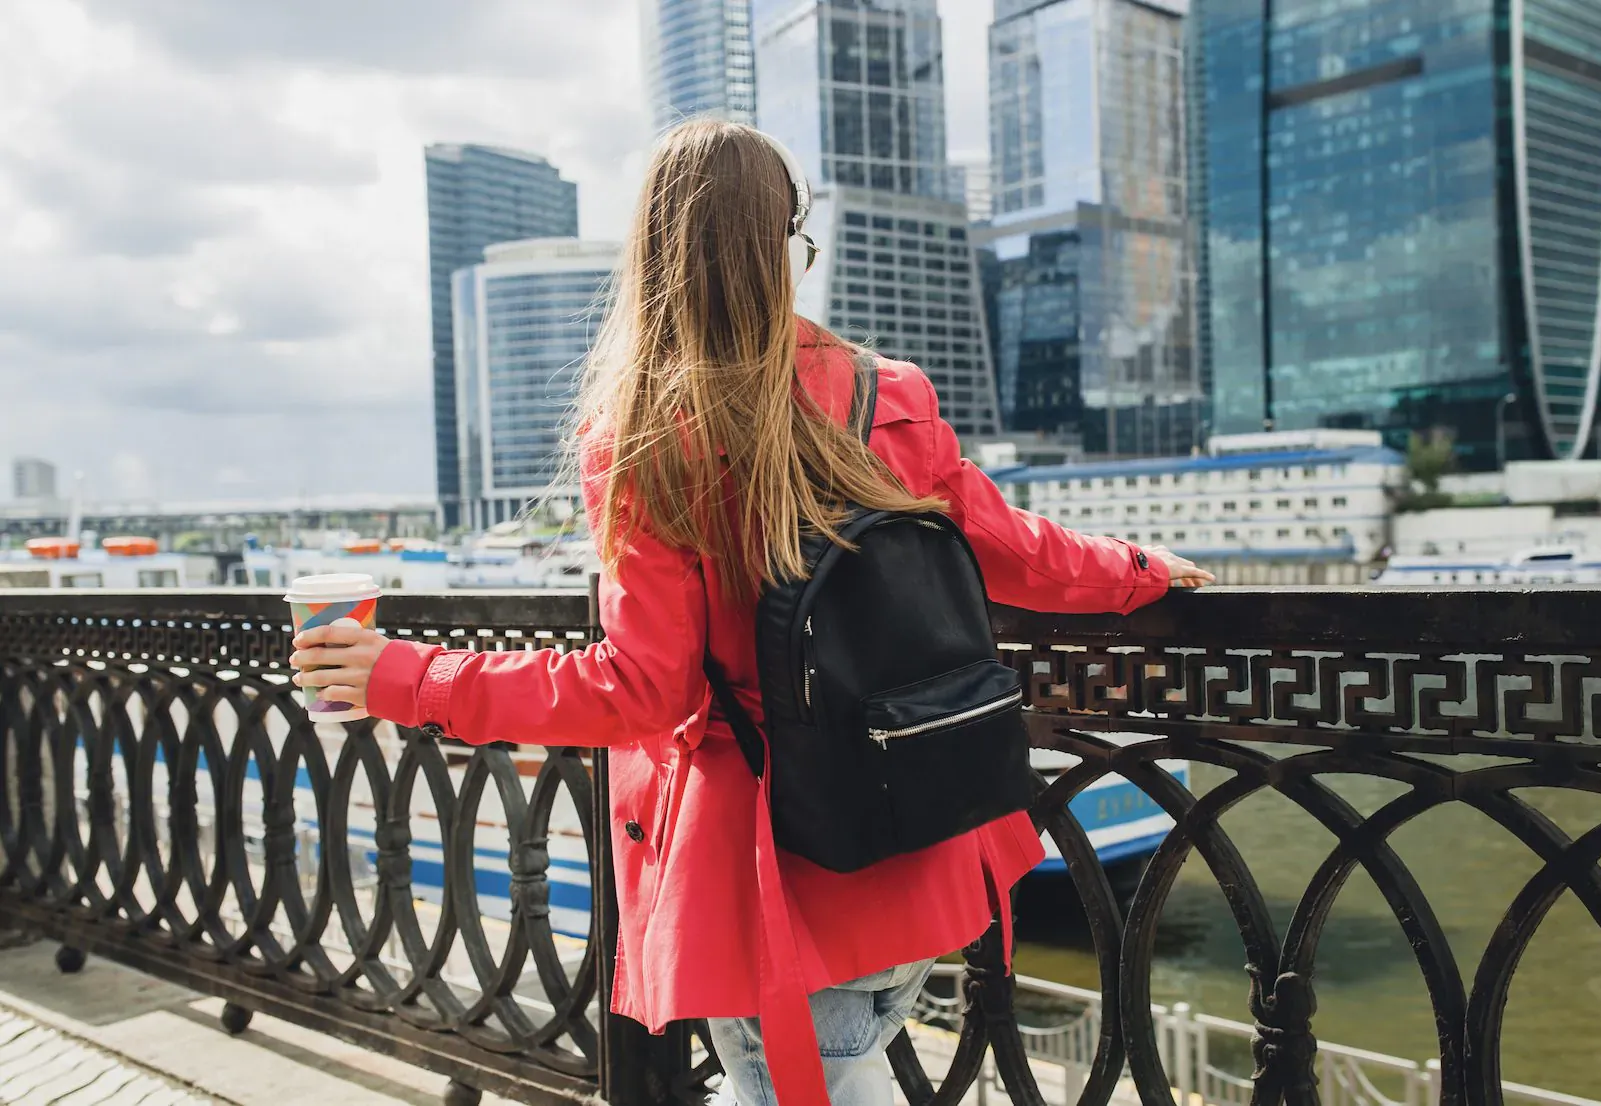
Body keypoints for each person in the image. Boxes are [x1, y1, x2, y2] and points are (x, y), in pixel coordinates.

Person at [290, 119, 1213, 1106]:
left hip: (779, 872)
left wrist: (405, 674)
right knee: (833, 1079)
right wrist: (1139, 571)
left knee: (795, 1086)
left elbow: (641, 686)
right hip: (924, 826)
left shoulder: (650, 432)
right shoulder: (886, 392)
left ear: (654, 256)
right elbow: (1010, 550)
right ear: (783, 246)